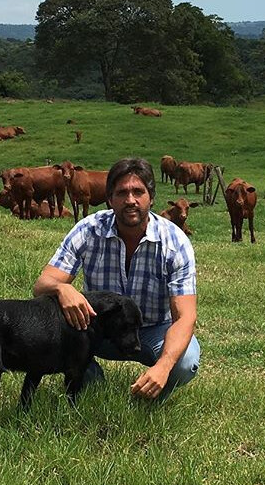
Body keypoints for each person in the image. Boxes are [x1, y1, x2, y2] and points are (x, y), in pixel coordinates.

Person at [32, 157, 200, 401]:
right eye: (122, 193)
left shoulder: (175, 242)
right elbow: (41, 285)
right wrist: (61, 289)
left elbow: (186, 317)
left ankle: (150, 396)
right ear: (110, 199)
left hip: (152, 329)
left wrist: (164, 366)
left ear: (151, 197)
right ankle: (89, 382)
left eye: (138, 192)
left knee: (185, 362)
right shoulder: (89, 229)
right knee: (55, 327)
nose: (130, 200)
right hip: (97, 328)